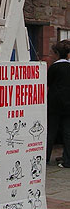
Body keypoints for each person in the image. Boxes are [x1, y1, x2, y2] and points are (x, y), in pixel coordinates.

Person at [46, 39, 70, 167]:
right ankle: (68, 160)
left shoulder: (54, 67)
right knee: (68, 132)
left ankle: (44, 158)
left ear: (56, 53)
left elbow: (48, 83)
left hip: (54, 103)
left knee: (51, 131)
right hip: (69, 104)